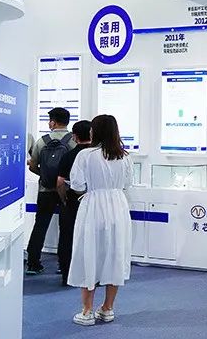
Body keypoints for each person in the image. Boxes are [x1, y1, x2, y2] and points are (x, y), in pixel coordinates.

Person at [68, 114, 133, 326]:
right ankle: (108, 308)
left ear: (93, 131)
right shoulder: (125, 157)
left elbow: (77, 185)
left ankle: (87, 311)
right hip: (118, 207)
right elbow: (127, 184)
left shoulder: (86, 155)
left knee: (88, 253)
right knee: (115, 254)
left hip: (93, 206)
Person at [26, 107, 74, 275]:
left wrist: (45, 176)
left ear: (53, 122)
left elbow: (32, 166)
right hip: (67, 190)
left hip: (45, 190)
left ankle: (33, 263)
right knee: (66, 228)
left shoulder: (42, 141)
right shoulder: (73, 141)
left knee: (40, 225)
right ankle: (64, 264)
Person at [56, 120, 92, 286]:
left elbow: (60, 182)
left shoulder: (69, 155)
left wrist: (64, 199)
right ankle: (91, 275)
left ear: (74, 136)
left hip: (71, 202)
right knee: (91, 238)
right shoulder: (97, 156)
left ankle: (66, 274)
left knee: (67, 237)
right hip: (92, 203)